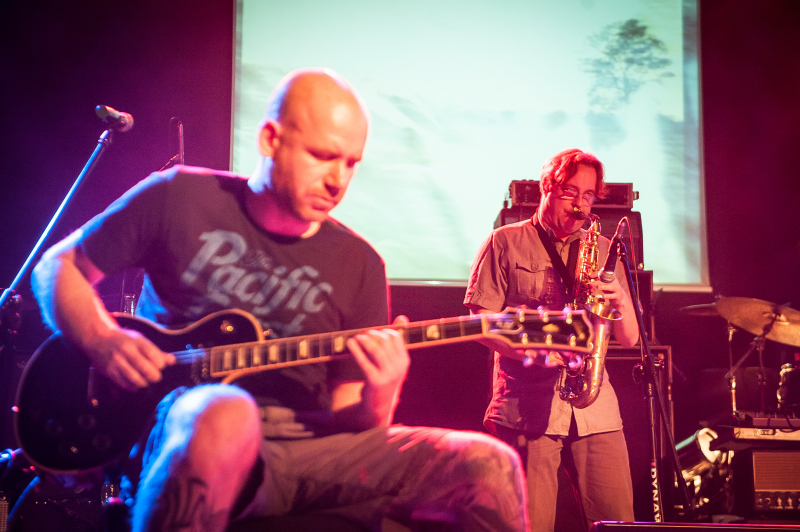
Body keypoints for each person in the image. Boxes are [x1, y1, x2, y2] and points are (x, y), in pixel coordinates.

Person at [31, 68, 528, 532]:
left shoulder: (360, 263)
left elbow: (356, 423)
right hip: (190, 426)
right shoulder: (178, 197)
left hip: (313, 454)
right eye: (322, 155)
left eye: (351, 163)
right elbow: (59, 267)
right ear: (270, 139)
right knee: (226, 412)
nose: (338, 180)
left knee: (489, 462)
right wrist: (102, 340)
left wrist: (383, 390)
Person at [464, 148, 638, 531]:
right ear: (547, 188)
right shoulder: (504, 241)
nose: (579, 204)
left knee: (618, 523)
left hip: (596, 409)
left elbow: (629, 339)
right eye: (570, 192)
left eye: (588, 195)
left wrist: (620, 297)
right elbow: (481, 322)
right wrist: (533, 353)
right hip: (527, 407)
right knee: (528, 525)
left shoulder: (606, 251)